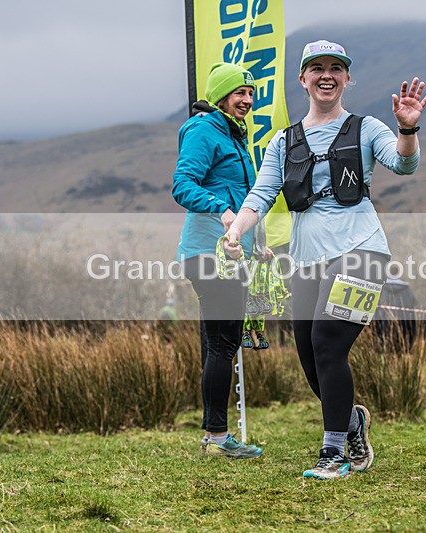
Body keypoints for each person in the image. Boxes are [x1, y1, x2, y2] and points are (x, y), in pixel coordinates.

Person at [225, 40, 426, 478]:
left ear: (347, 78)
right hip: (306, 258)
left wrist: (408, 131)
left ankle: (334, 453)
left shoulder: (367, 127)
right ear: (302, 79)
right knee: (310, 357)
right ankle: (352, 421)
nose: (326, 75)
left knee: (327, 343)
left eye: (336, 68)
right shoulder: (283, 142)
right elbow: (261, 194)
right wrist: (236, 230)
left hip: (363, 252)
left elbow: (403, 164)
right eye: (316, 68)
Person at [172, 62, 263, 459]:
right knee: (223, 345)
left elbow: (242, 194)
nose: (247, 100)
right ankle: (217, 438)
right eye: (239, 92)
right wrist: (223, 212)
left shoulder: (236, 136)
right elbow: (183, 185)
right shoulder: (204, 130)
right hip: (209, 254)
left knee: (216, 345)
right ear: (221, 95)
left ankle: (214, 436)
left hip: (230, 253)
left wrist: (254, 240)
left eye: (250, 93)